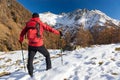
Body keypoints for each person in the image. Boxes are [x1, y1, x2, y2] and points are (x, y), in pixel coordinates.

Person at [19, 12, 62, 78]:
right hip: (39, 45)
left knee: (30, 60)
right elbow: (50, 29)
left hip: (31, 45)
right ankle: (49, 69)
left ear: (32, 17)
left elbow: (22, 33)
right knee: (47, 55)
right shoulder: (40, 23)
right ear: (38, 17)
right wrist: (58, 32)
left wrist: (21, 40)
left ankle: (30, 74)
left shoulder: (28, 24)